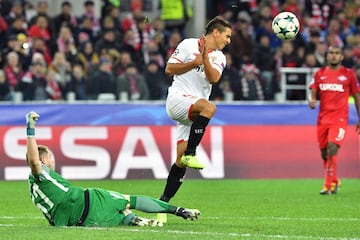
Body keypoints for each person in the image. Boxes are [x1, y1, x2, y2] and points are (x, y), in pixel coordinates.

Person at [25, 111, 200, 227]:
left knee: (122, 215)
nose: (53, 160)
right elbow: (34, 162)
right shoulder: (41, 174)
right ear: (43, 159)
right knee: (129, 200)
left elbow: (53, 219)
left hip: (82, 222)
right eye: (50, 157)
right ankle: (179, 210)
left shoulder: (35, 190)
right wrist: (30, 130)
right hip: (89, 200)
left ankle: (134, 220)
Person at [157, 16, 231, 221]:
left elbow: (213, 78)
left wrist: (204, 58)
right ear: (215, 32)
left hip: (193, 112)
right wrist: (194, 61)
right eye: (227, 36)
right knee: (210, 107)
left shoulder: (220, 57)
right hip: (178, 100)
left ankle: (162, 205)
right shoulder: (188, 44)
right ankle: (192, 152)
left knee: (180, 163)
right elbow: (169, 69)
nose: (228, 40)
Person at [308, 45, 360, 195]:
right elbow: (313, 89)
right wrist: (311, 100)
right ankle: (335, 179)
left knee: (332, 146)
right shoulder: (319, 74)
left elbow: (357, 96)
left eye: (337, 53)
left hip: (340, 119)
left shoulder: (349, 74)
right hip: (323, 119)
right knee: (324, 152)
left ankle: (327, 185)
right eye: (331, 53)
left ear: (342, 57)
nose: (334, 56)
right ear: (327, 56)